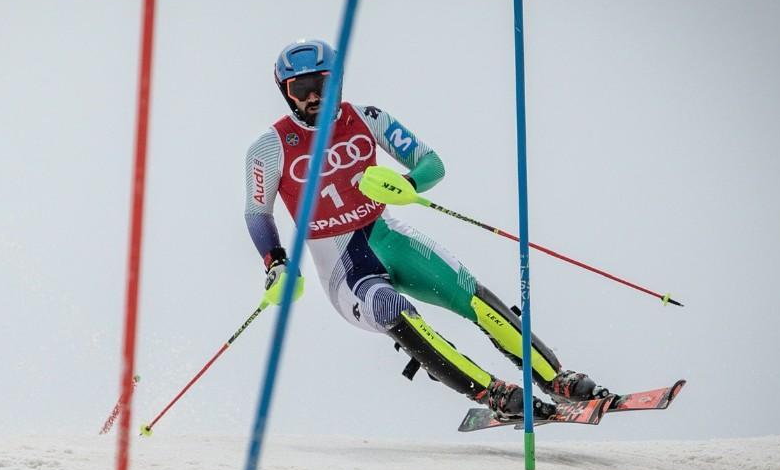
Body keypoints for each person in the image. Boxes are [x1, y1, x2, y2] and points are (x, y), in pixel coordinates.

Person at [243, 39, 613, 419]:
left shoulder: (367, 118)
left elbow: (431, 163)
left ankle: (556, 378)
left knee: (468, 292)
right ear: (285, 94)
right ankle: (494, 394)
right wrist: (276, 264)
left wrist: (408, 184)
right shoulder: (269, 147)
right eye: (300, 91)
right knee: (391, 307)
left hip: (387, 236)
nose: (314, 97)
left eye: (322, 84)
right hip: (343, 267)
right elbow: (257, 213)